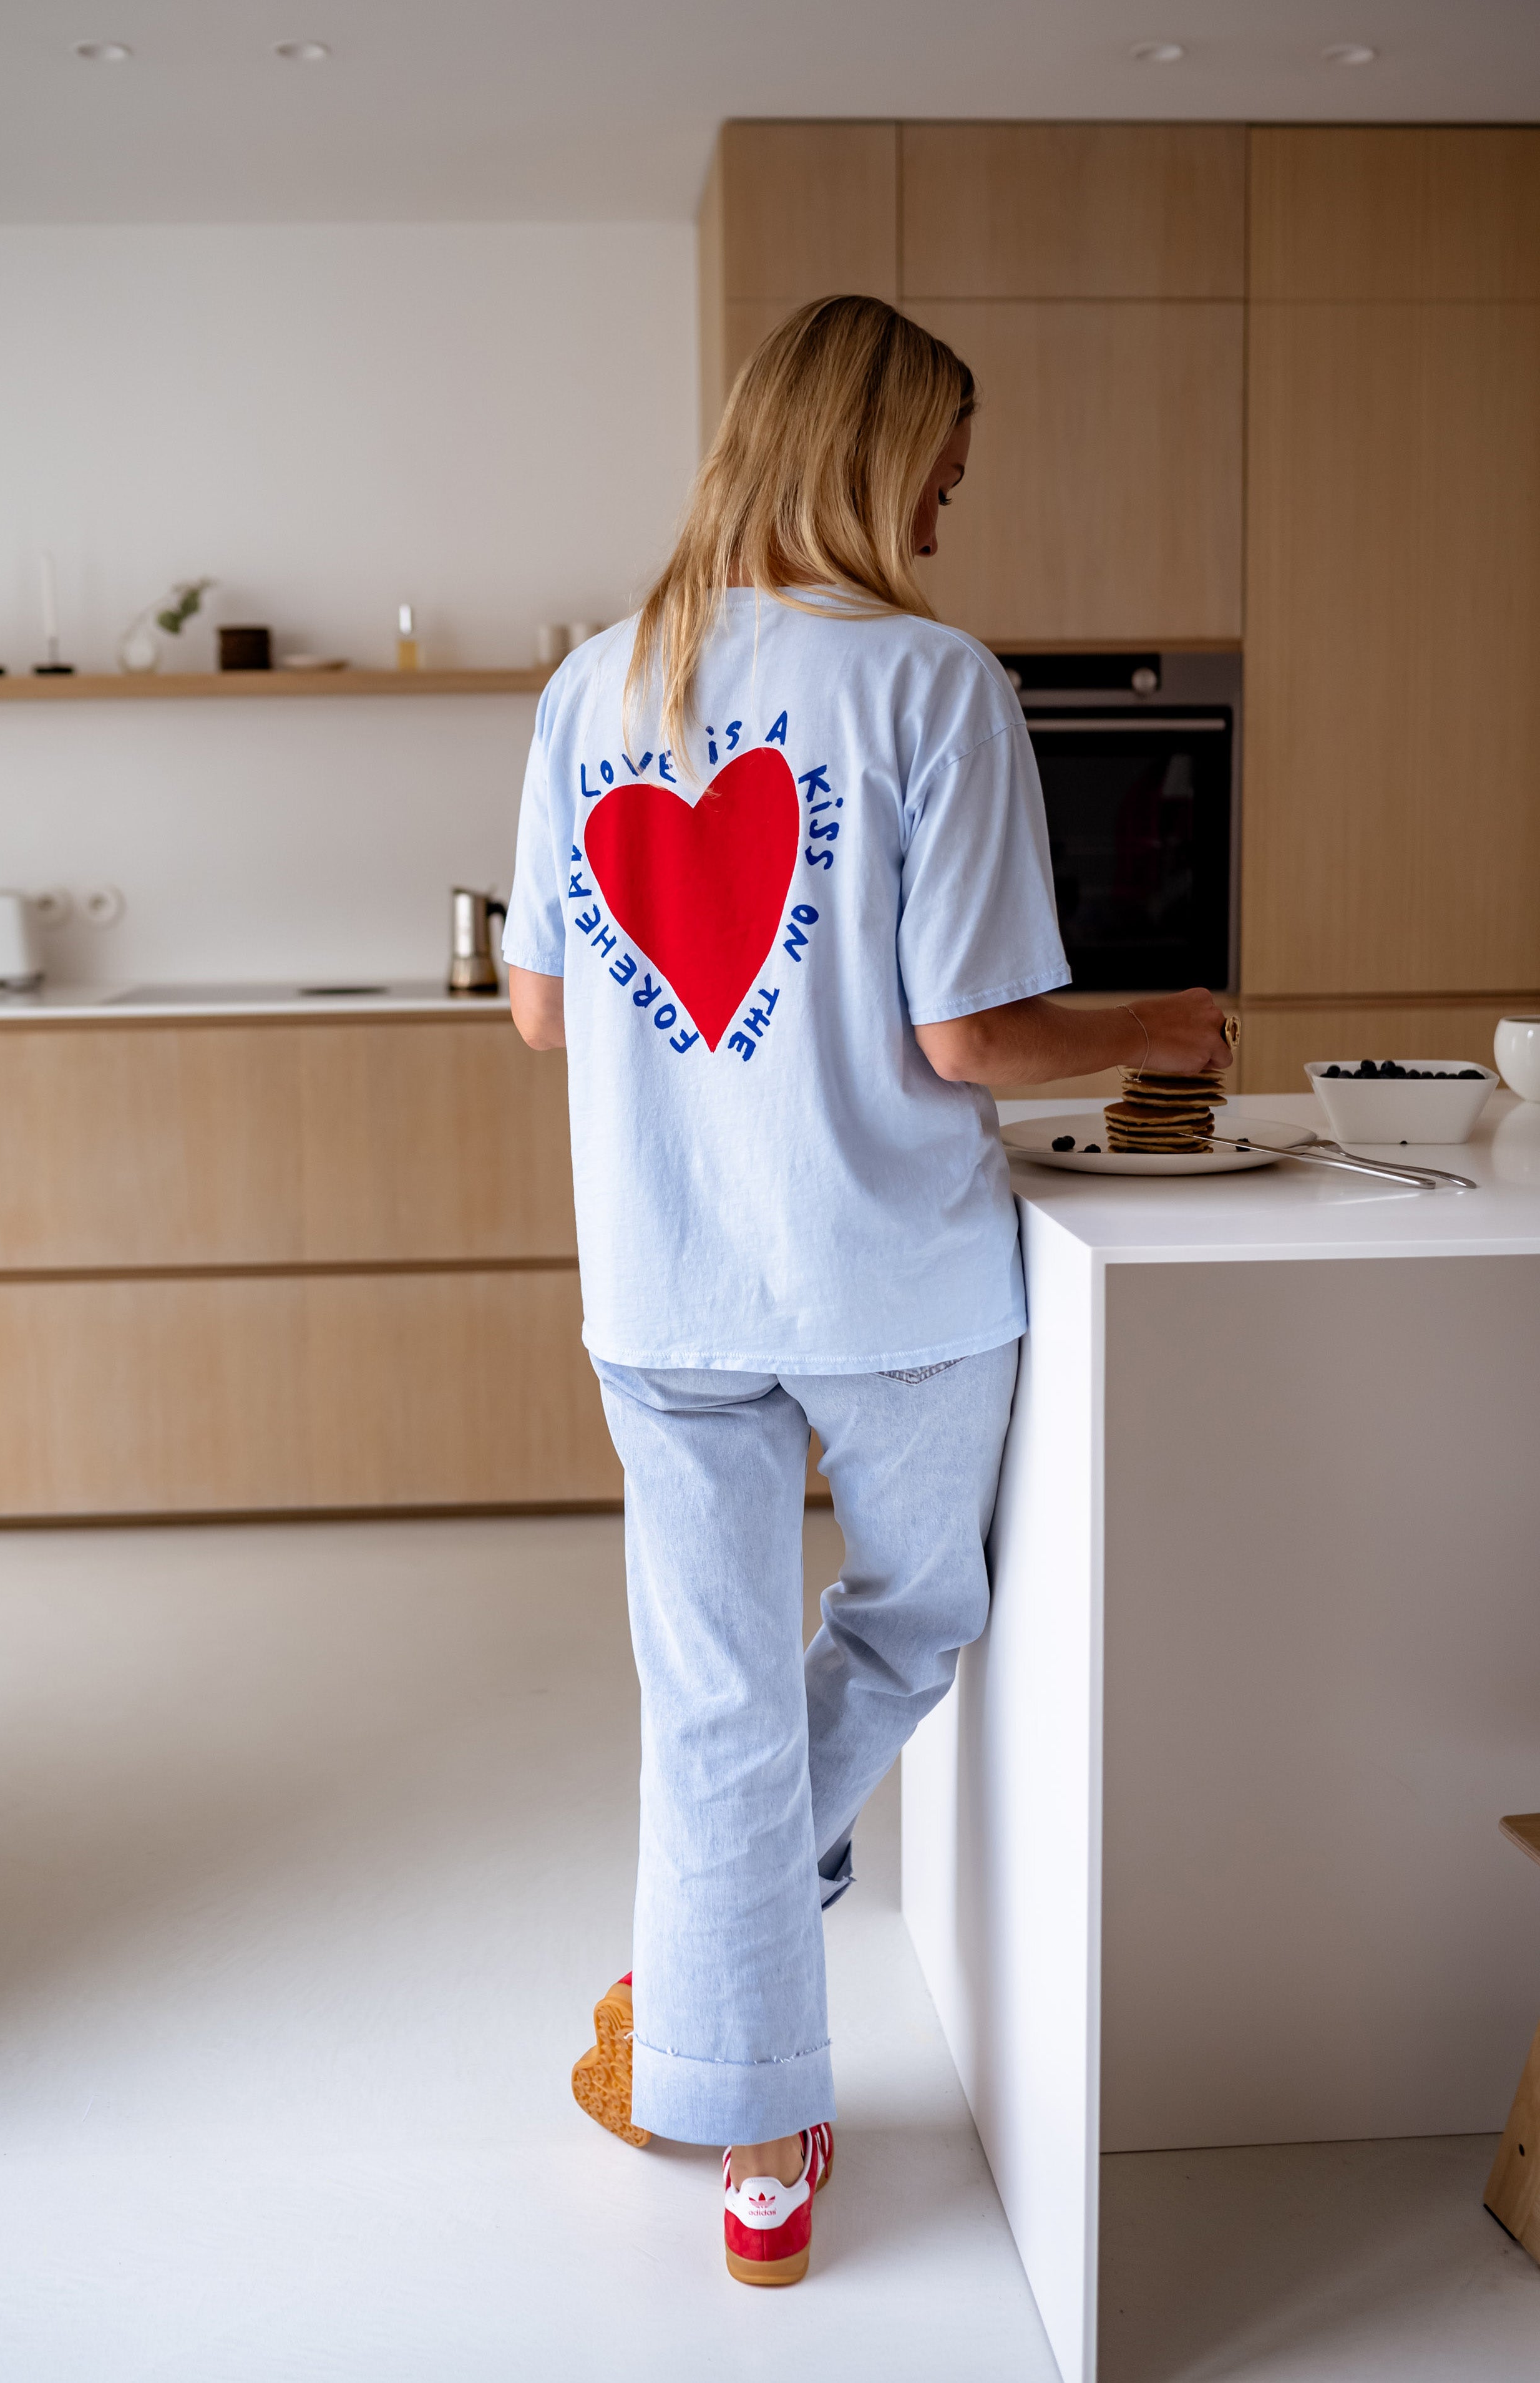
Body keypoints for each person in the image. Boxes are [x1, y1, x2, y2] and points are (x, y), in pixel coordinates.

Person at [503, 293, 1230, 2287]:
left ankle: (747, 2127)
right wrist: (1168, 1019)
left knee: (717, 1698)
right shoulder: (930, 683)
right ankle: (700, 1983)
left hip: (663, 1279)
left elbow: (543, 1012)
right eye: (941, 469)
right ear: (873, 452)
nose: (945, 506)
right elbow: (973, 1043)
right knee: (917, 1613)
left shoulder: (596, 684)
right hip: (890, 1277)